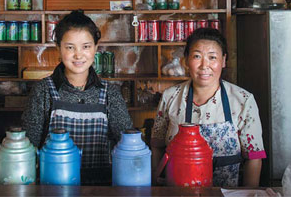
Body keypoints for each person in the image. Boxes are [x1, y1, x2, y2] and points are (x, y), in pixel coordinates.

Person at [22, 10, 133, 185]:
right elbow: (28, 149)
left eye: (86, 46)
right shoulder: (43, 91)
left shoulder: (110, 93)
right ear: (58, 48)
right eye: (70, 47)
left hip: (101, 187)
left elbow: (129, 147)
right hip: (54, 185)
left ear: (96, 48)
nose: (78, 55)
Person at [151, 28, 265, 187]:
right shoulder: (170, 97)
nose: (204, 65)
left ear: (223, 61)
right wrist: (155, 188)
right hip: (177, 192)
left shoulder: (242, 100)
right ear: (186, 61)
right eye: (197, 56)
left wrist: (248, 193)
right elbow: (157, 147)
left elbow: (254, 158)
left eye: (212, 57)